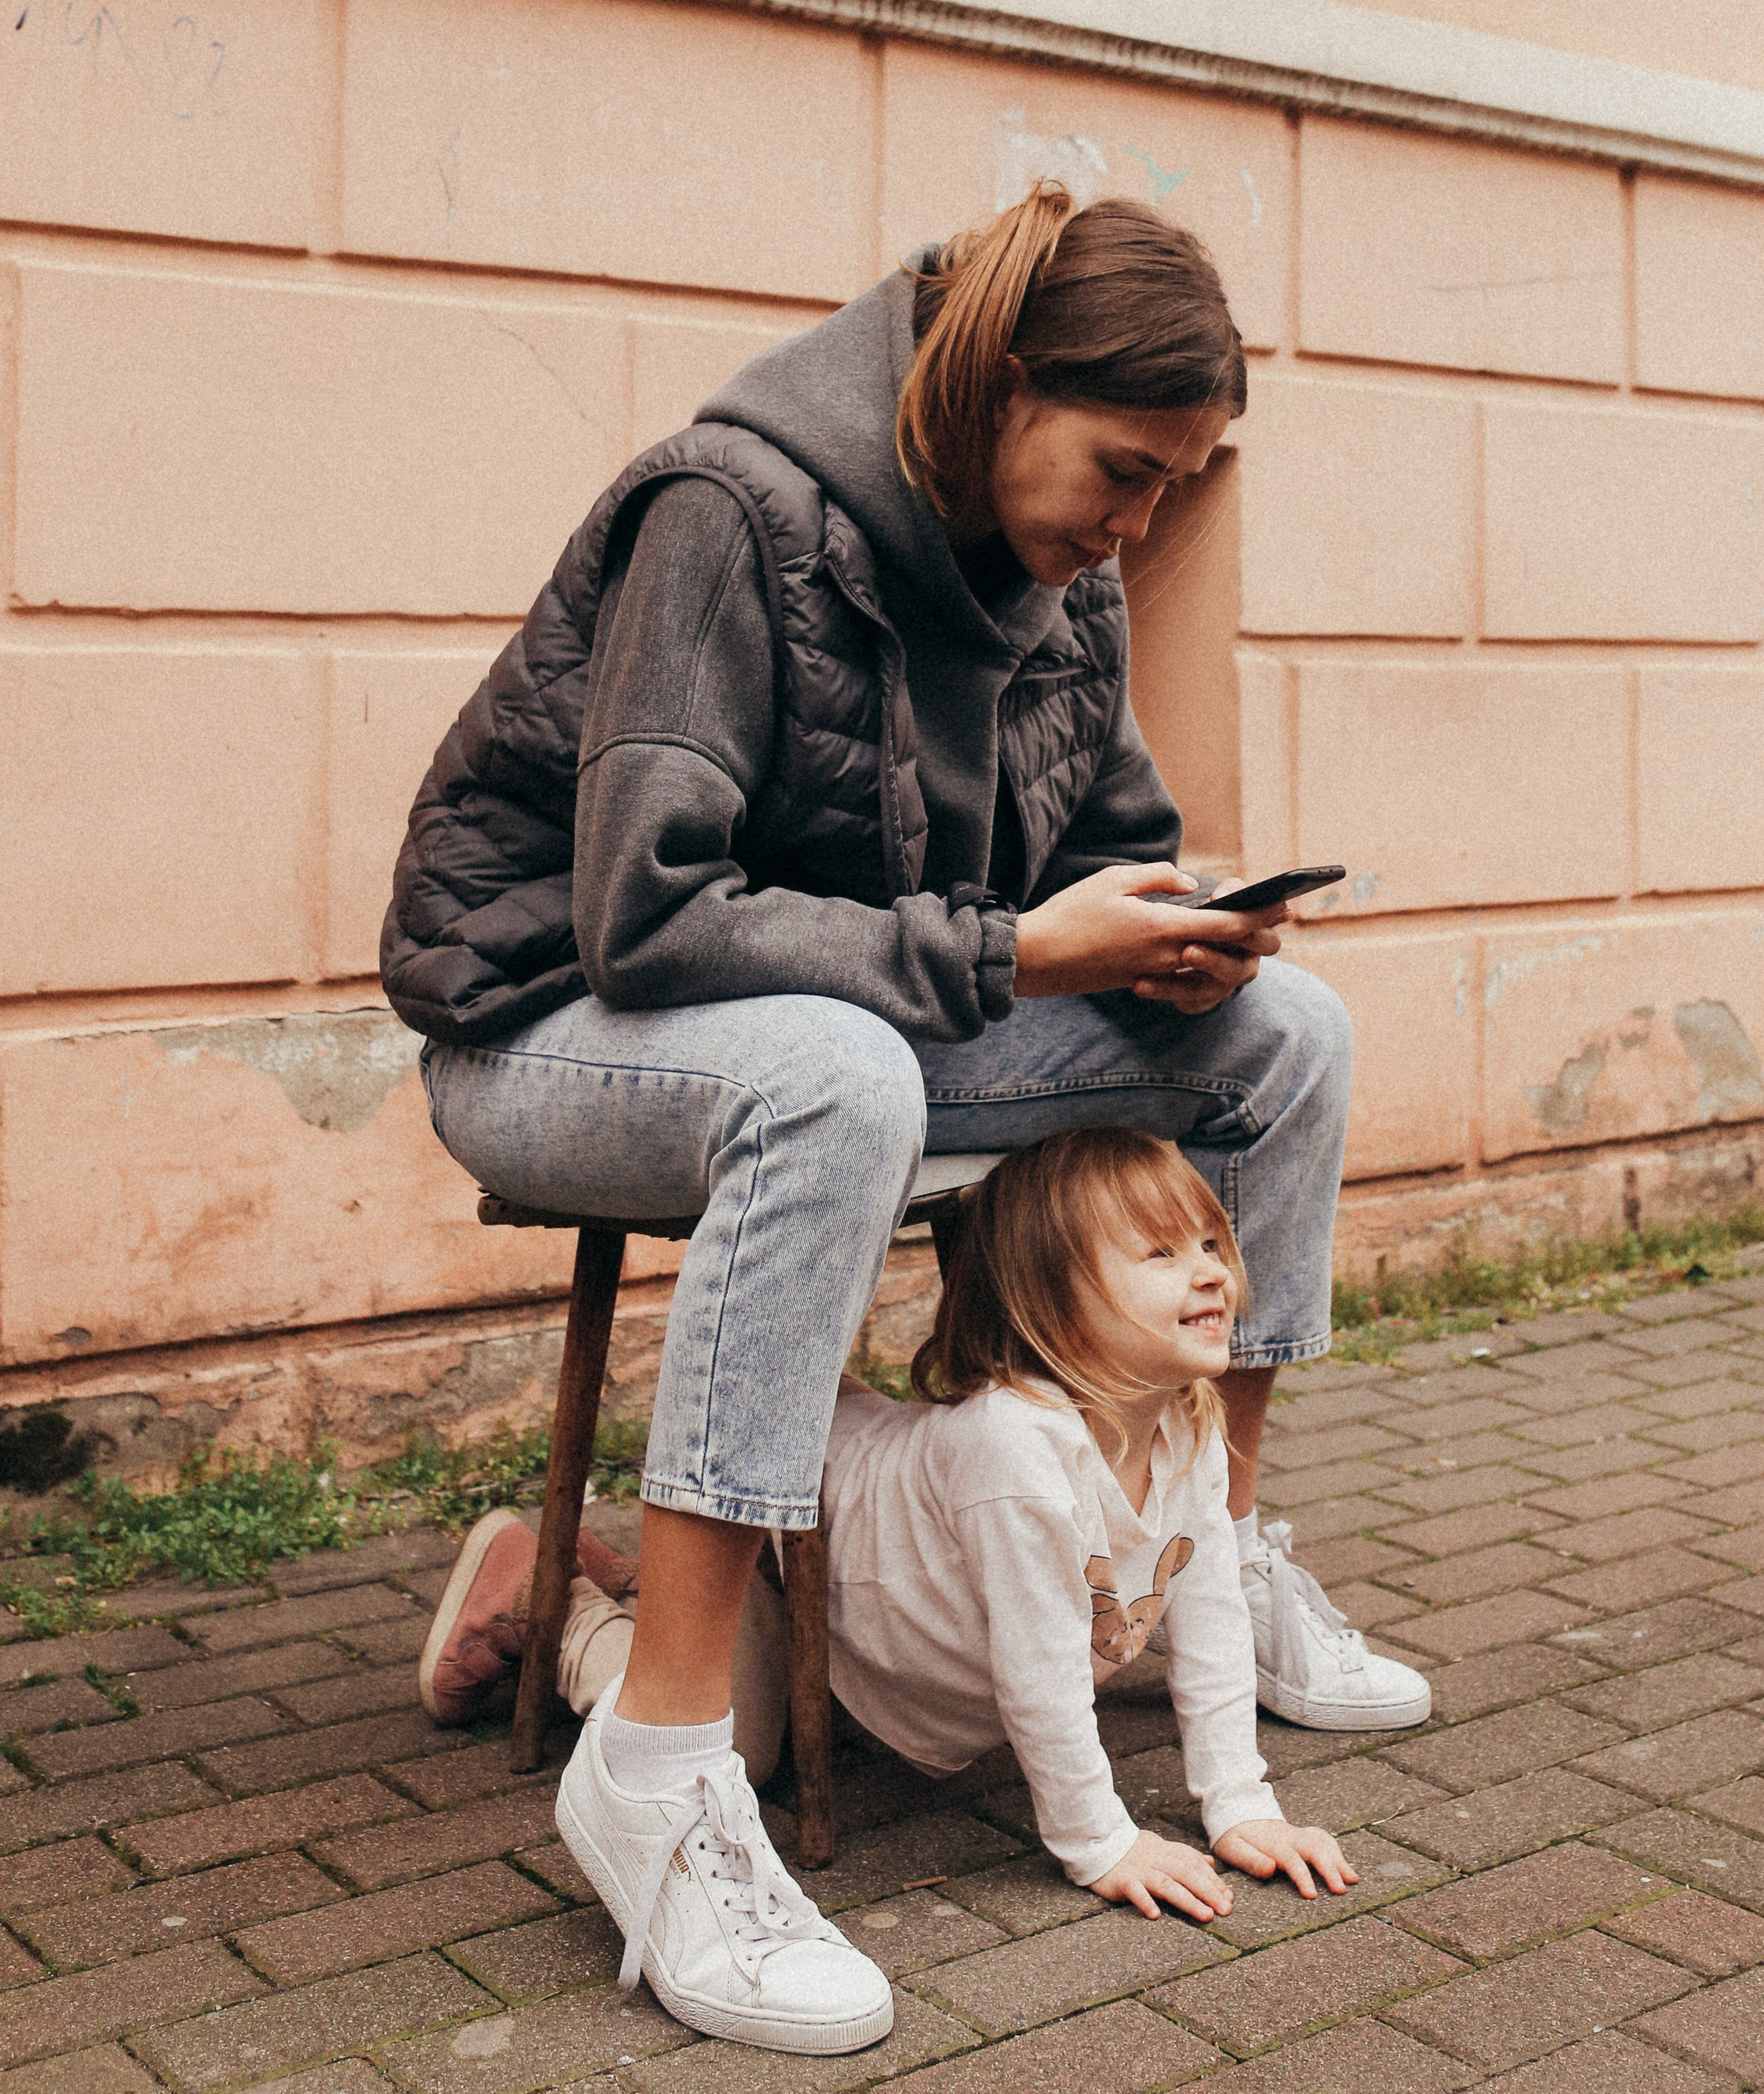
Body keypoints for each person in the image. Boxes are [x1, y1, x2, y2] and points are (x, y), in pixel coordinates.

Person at [382, 185, 1428, 2054]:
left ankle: (1215, 1556)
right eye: (1121, 468)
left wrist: (1166, 931)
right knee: (834, 1076)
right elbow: (646, 909)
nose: (1135, 524)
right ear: (1001, 382)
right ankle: (663, 1763)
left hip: (850, 1007)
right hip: (553, 1015)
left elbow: (1094, 845)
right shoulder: (729, 511)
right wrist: (1023, 948)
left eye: (1173, 489)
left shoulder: (1060, 574)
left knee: (1290, 1034)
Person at [428, 1128, 1364, 1989]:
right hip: (805, 1569)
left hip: (882, 1532)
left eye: (1208, 1243)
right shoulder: (1018, 1448)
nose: (1207, 1273)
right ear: (1053, 1306)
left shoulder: (1190, 1422)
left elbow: (1209, 1617)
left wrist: (1240, 1805)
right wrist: (1099, 1842)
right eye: (1159, 1254)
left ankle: (621, 1575)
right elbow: (1041, 1679)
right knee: (740, 1752)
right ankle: (553, 1601)